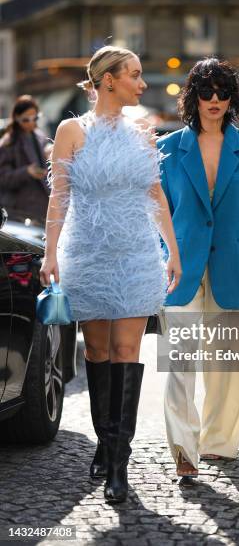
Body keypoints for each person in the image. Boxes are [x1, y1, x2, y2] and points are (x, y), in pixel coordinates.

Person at [39, 45, 181, 504]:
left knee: (126, 349)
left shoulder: (143, 131)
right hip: (88, 253)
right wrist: (50, 254)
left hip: (137, 253)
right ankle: (104, 441)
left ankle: (119, 461)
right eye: (135, 75)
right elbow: (58, 196)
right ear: (107, 79)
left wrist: (172, 252)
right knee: (97, 351)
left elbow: (156, 194)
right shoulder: (70, 130)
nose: (142, 84)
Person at [158, 57, 239, 477]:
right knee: (179, 363)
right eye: (206, 92)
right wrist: (161, 261)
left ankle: (220, 443)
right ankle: (184, 450)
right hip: (180, 269)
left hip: (231, 269)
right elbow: (159, 213)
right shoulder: (166, 149)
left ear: (232, 98)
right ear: (193, 97)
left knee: (224, 364)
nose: (215, 100)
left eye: (223, 92)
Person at [0, 95, 51, 224]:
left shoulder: (40, 136)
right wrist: (26, 172)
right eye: (26, 119)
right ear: (17, 118)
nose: (31, 122)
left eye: (35, 118)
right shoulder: (8, 142)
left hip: (44, 204)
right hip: (20, 211)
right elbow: (3, 178)